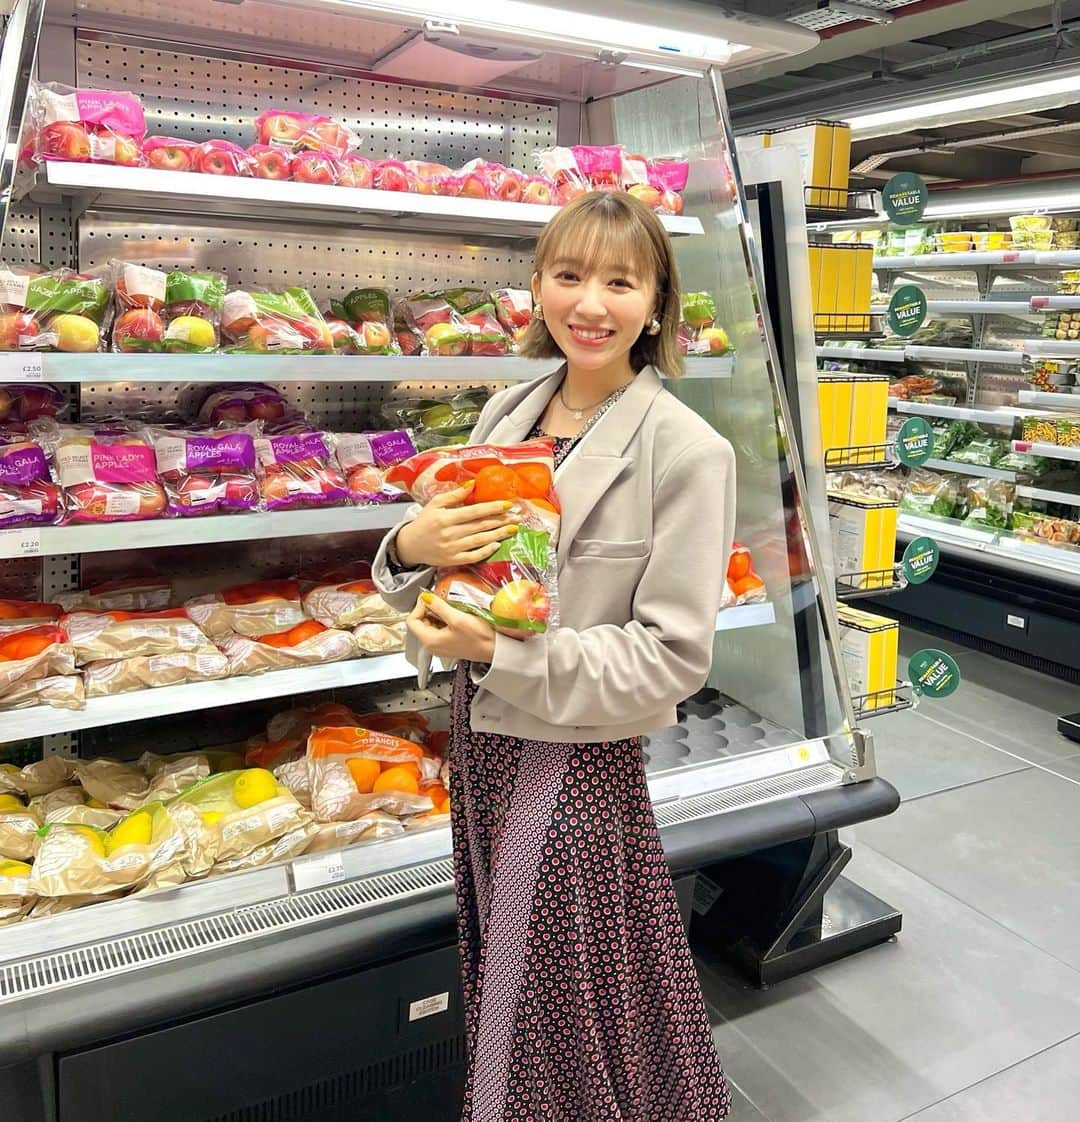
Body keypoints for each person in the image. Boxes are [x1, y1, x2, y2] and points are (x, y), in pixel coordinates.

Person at [374, 190, 736, 1121]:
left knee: (553, 1009)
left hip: (573, 764)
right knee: (535, 983)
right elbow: (462, 561)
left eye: (621, 281)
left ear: (656, 304)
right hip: (482, 738)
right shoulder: (507, 410)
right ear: (536, 287)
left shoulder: (685, 449)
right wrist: (414, 550)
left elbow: (673, 656)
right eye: (570, 274)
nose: (592, 303)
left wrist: (504, 651)